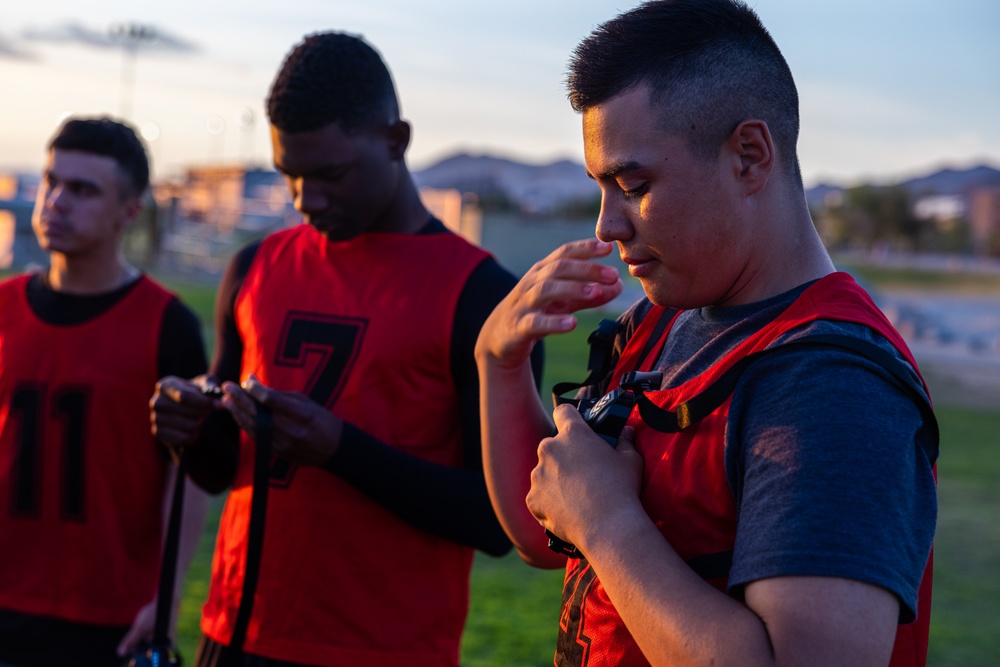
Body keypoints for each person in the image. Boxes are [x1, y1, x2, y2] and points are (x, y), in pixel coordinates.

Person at [475, 1, 938, 666]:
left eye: (632, 185)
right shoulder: (662, 323)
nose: (608, 225)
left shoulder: (833, 383)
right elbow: (544, 531)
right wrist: (498, 359)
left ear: (749, 156)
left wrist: (609, 524)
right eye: (601, 188)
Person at [149, 31, 541, 667]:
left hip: (382, 650)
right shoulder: (254, 266)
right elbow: (222, 470)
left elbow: (496, 521)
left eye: (330, 173)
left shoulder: (483, 295)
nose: (308, 199)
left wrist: (340, 450)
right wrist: (187, 428)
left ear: (396, 141)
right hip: (235, 631)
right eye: (290, 176)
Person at [0, 117, 210, 666]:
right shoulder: (3, 308)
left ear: (129, 211)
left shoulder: (168, 325)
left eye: (83, 190)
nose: (57, 201)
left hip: (107, 617)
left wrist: (167, 596)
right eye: (52, 181)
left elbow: (186, 479)